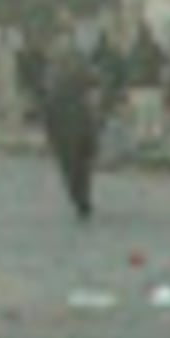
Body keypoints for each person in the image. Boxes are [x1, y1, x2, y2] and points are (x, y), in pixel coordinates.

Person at [37, 32, 105, 220]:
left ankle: (80, 199)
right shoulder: (63, 75)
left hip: (71, 132)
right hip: (77, 129)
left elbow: (47, 108)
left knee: (73, 169)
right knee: (81, 168)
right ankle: (82, 198)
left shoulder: (57, 76)